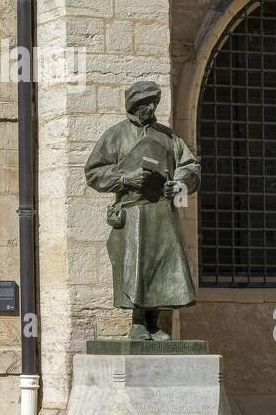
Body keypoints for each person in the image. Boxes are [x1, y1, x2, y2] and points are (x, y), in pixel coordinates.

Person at [84, 80, 200, 340]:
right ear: (134, 105)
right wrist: (125, 179)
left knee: (161, 266)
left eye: (154, 103)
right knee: (134, 266)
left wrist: (179, 183)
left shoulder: (168, 137)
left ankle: (156, 322)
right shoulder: (115, 136)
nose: (151, 107)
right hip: (132, 212)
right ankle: (137, 321)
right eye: (146, 103)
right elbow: (93, 172)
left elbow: (190, 166)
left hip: (161, 211)